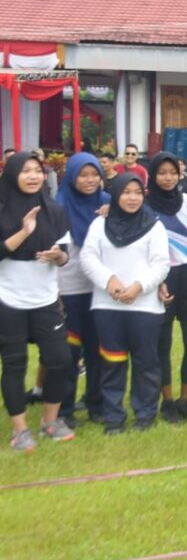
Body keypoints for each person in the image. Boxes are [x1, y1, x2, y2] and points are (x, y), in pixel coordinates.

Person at [80, 173, 170, 434]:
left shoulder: (154, 226)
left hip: (145, 307)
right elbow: (88, 257)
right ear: (115, 194)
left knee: (146, 363)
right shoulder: (100, 224)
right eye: (126, 192)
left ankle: (145, 415)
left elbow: (161, 263)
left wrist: (138, 286)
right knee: (112, 363)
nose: (132, 198)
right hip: (108, 307)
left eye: (137, 192)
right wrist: (109, 280)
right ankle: (113, 418)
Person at [1, 152, 75, 450]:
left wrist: (58, 256)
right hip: (8, 299)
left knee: (60, 359)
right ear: (12, 174)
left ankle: (50, 420)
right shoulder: (2, 208)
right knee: (15, 364)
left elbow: (65, 253)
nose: (32, 176)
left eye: (37, 171)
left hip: (45, 298)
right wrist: (24, 233)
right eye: (26, 171)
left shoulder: (54, 210)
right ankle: (20, 429)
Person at [145, 152, 187, 423]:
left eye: (173, 172)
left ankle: (186, 399)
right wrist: (158, 282)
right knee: (163, 343)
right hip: (161, 280)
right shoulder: (145, 206)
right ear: (153, 175)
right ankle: (168, 401)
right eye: (162, 173)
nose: (168, 178)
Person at [56, 152, 110, 427]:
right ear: (71, 177)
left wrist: (111, 216)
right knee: (69, 352)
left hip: (100, 289)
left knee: (96, 349)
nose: (90, 180)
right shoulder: (58, 206)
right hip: (68, 290)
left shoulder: (107, 202)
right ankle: (64, 409)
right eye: (83, 175)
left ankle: (95, 404)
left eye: (94, 175)